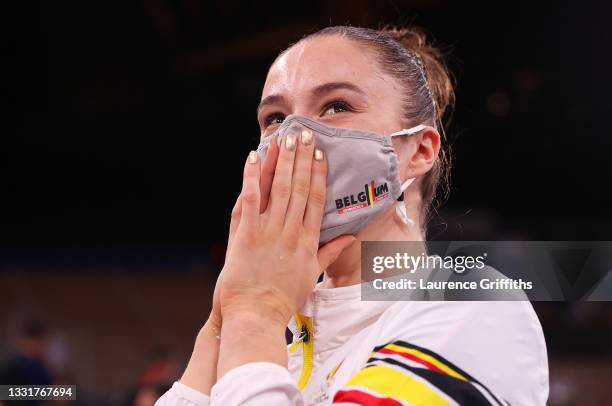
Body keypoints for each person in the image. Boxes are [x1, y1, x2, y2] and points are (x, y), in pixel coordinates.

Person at [156, 26, 549, 405]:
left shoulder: (475, 305)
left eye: (336, 106)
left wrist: (255, 314)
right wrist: (224, 320)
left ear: (419, 151)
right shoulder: (272, 321)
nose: (294, 134)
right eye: (274, 117)